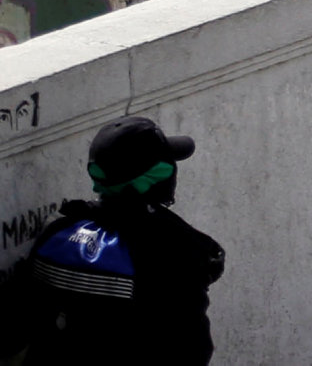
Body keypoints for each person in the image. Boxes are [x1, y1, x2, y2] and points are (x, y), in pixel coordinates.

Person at [7, 114, 221, 363]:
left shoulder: (58, 230)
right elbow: (191, 350)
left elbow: (16, 329)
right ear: (158, 177)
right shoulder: (171, 251)